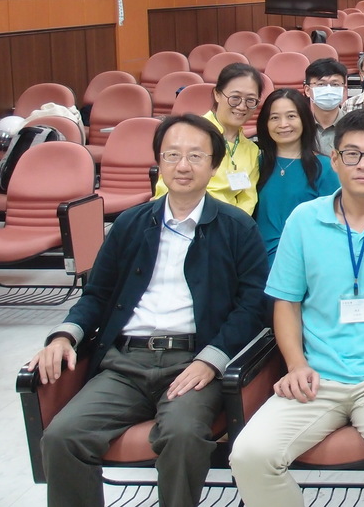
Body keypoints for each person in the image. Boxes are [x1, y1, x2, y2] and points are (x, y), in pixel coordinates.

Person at [29, 114, 267, 507]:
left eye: (195, 155)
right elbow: (97, 294)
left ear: (214, 164)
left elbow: (253, 306)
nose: (183, 166)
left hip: (193, 361)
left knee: (183, 435)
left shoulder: (237, 227)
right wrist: (63, 334)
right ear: (159, 162)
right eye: (172, 155)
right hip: (124, 362)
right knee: (62, 436)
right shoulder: (130, 224)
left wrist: (212, 361)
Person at [229, 109, 364, 507]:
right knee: (249, 455)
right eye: (351, 154)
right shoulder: (304, 219)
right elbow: (286, 303)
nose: (363, 164)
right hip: (316, 376)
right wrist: (296, 364)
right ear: (334, 159)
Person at [155, 61, 262, 214]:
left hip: (228, 226)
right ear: (217, 94)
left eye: (250, 100)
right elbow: (166, 187)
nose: (242, 106)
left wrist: (236, 227)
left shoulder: (251, 150)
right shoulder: (190, 134)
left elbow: (248, 199)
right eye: (235, 97)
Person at [256, 88, 339, 264]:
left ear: (304, 120)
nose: (283, 124)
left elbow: (334, 226)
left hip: (304, 263)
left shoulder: (324, 168)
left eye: (291, 116)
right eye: (274, 118)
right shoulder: (257, 163)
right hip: (255, 263)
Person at [304, 57, 348, 157]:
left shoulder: (355, 127)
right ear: (307, 90)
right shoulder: (300, 128)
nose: (328, 90)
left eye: (335, 84)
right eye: (321, 84)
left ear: (344, 90)